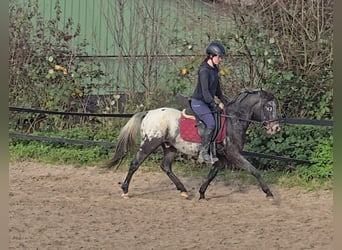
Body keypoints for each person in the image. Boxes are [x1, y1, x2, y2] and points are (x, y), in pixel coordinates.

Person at [190, 41, 229, 164]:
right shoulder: (204, 71)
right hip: (199, 103)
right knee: (211, 124)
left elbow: (217, 89)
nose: (220, 59)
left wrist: (224, 101)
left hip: (207, 102)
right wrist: (215, 105)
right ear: (211, 56)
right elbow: (206, 92)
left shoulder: (214, 69)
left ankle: (214, 151)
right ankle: (203, 152)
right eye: (219, 56)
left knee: (219, 120)